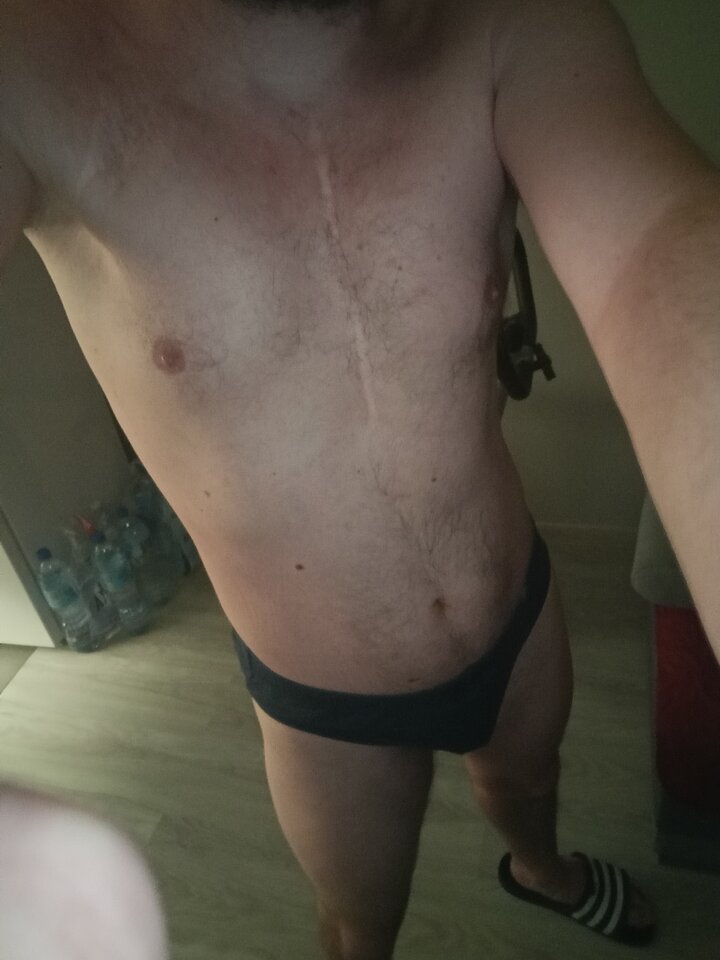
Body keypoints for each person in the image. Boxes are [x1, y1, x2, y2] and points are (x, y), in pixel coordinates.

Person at [1, 0, 718, 956]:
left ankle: (541, 872)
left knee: (530, 787)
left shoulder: (514, 19)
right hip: (325, 709)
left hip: (516, 617)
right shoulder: (28, 60)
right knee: (359, 925)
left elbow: (656, 243)